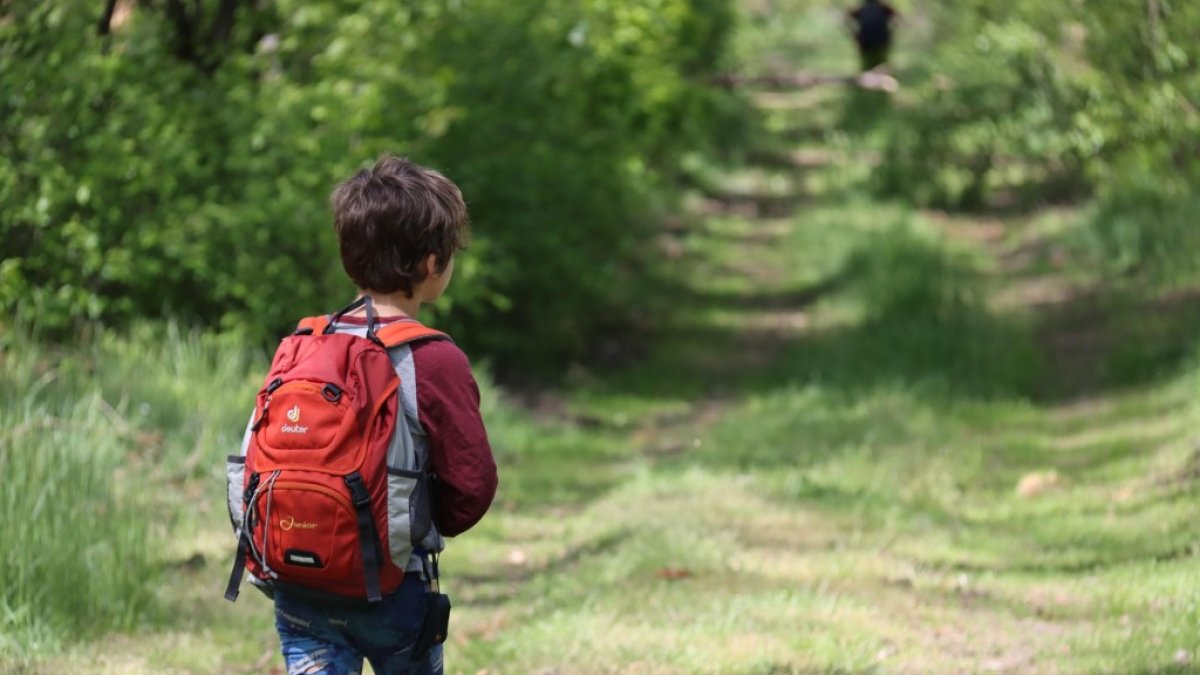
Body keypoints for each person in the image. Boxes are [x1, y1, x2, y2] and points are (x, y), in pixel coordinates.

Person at [252, 156, 498, 675]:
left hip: (299, 581)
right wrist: (412, 517)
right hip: (393, 586)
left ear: (350, 257)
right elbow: (472, 488)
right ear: (433, 264)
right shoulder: (432, 358)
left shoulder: (301, 346)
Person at [847, 0, 898, 72]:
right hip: (880, 41)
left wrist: (854, 34)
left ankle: (871, 74)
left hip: (866, 41)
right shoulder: (884, 8)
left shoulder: (860, 9)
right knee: (880, 63)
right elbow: (897, 18)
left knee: (869, 64)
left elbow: (846, 19)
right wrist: (891, 32)